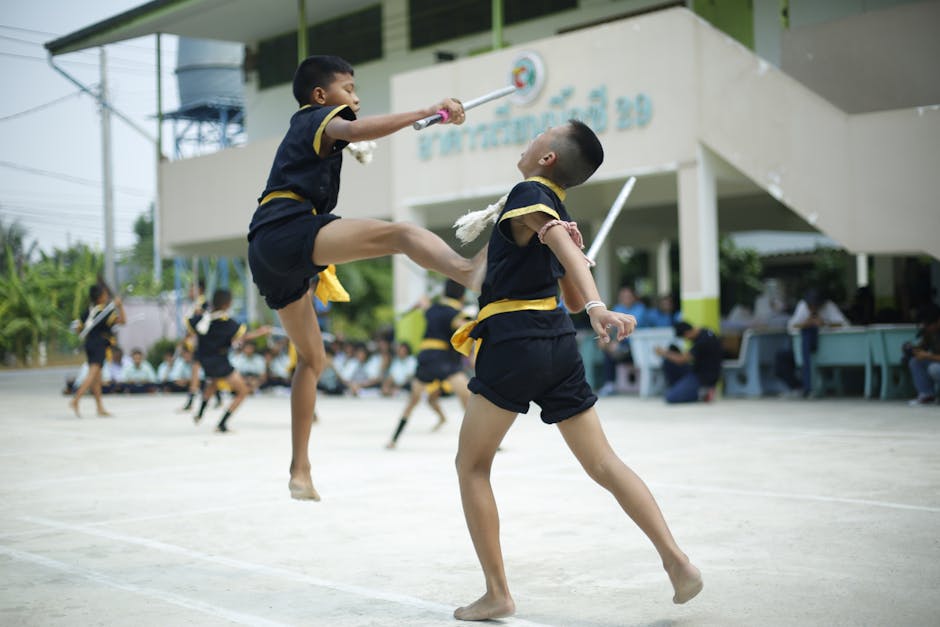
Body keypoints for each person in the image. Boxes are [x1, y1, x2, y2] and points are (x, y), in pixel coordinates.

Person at [449, 120, 701, 621]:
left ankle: (498, 593)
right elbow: (564, 280)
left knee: (472, 465)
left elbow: (560, 252)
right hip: (559, 344)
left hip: (515, 341)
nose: (530, 137)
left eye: (539, 133)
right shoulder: (554, 207)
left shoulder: (529, 194)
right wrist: (583, 290)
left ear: (547, 158)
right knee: (604, 463)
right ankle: (678, 562)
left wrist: (597, 306)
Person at [245, 54, 484, 501]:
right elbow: (353, 129)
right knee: (402, 233)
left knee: (311, 361)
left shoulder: (310, 130)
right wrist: (429, 111)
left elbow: (345, 138)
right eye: (349, 89)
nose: (356, 97)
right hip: (287, 229)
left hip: (269, 251)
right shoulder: (316, 118)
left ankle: (300, 469)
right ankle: (470, 272)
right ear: (321, 96)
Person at [387, 280, 472, 449]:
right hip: (445, 360)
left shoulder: (431, 310)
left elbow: (422, 307)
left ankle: (393, 440)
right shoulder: (456, 313)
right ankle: (485, 443)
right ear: (462, 296)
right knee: (467, 400)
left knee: (413, 400)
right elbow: (463, 329)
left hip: (426, 357)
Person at [189, 289, 270, 432]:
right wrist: (261, 332)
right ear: (227, 304)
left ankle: (200, 413)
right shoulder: (227, 323)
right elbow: (244, 336)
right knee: (243, 391)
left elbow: (189, 323)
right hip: (220, 361)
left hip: (204, 360)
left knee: (214, 383)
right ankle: (222, 423)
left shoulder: (203, 318)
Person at [775, 289, 849, 396]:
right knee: (781, 358)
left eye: (815, 305)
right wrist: (806, 323)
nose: (812, 307)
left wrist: (825, 323)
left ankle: (808, 387)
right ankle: (799, 387)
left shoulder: (828, 307)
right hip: (802, 349)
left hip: (827, 351)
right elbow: (791, 326)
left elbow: (844, 325)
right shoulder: (803, 306)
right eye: (810, 305)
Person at [69, 284, 126, 417]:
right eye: (105, 294)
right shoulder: (105, 312)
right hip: (99, 345)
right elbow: (123, 321)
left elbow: (79, 328)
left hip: (89, 344)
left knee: (97, 378)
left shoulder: (88, 312)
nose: (107, 297)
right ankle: (76, 400)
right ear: (100, 297)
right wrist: (120, 306)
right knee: (92, 375)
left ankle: (100, 407)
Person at [597, 284, 648, 396]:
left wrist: (615, 342)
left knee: (613, 350)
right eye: (623, 296)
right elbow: (610, 325)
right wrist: (604, 336)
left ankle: (610, 383)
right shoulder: (618, 308)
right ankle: (609, 384)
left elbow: (629, 328)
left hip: (637, 348)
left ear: (634, 297)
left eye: (628, 296)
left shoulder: (640, 308)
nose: (626, 298)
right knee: (607, 350)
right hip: (623, 346)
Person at [654, 322, 722, 404]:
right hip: (697, 370)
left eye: (685, 337)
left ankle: (703, 393)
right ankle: (681, 388)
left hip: (703, 378)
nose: (686, 340)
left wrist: (664, 352)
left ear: (687, 333)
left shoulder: (703, 341)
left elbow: (681, 360)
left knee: (670, 397)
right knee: (669, 363)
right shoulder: (705, 332)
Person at [181, 280, 208, 410]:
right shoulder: (197, 304)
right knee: (201, 370)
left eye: (192, 289)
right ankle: (192, 401)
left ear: (200, 290)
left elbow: (197, 323)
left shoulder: (202, 303)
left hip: (202, 342)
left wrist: (188, 336)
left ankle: (191, 401)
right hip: (199, 342)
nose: (190, 292)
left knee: (197, 370)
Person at [908, 303, 940, 405]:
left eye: (927, 324)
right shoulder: (930, 333)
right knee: (916, 362)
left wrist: (927, 356)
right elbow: (922, 347)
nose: (926, 327)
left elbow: (928, 355)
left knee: (934, 368)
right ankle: (927, 395)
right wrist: (913, 349)